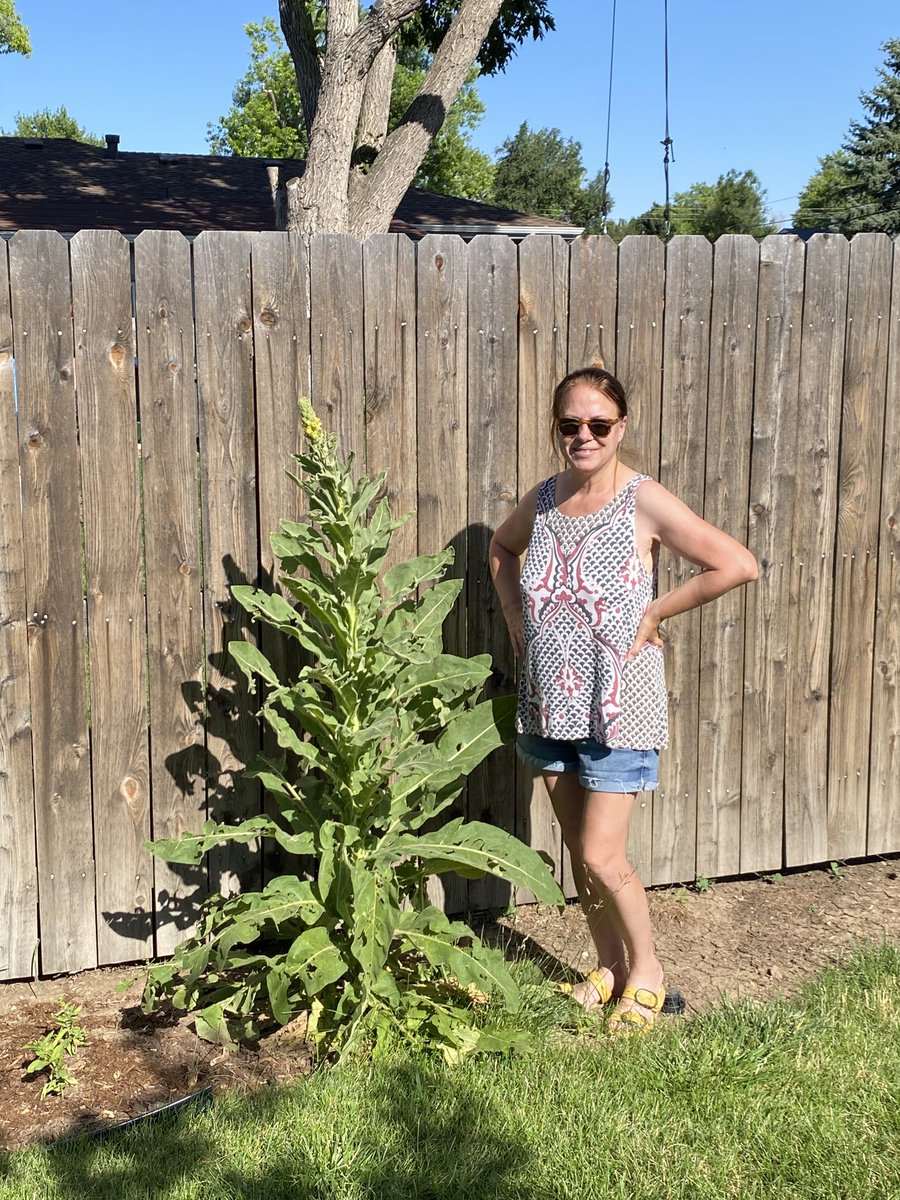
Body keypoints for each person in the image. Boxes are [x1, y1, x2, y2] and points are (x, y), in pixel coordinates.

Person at [489, 366, 758, 1032]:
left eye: (598, 424)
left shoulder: (644, 500)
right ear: (557, 429)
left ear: (620, 427)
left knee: (603, 855)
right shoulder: (544, 500)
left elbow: (736, 564)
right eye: (570, 424)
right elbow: (500, 548)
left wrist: (656, 611)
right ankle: (609, 966)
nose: (583, 436)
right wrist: (516, 618)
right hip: (548, 702)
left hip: (618, 708)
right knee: (579, 850)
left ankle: (649, 973)